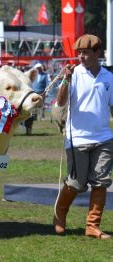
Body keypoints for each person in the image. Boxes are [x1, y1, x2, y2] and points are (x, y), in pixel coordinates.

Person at [53, 34, 113, 239]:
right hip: (77, 138)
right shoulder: (74, 74)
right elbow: (60, 102)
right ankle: (59, 214)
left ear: (98, 53)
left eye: (86, 53)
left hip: (104, 138)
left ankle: (92, 226)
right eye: (79, 53)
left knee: (101, 181)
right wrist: (65, 80)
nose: (81, 57)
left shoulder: (109, 77)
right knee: (77, 184)